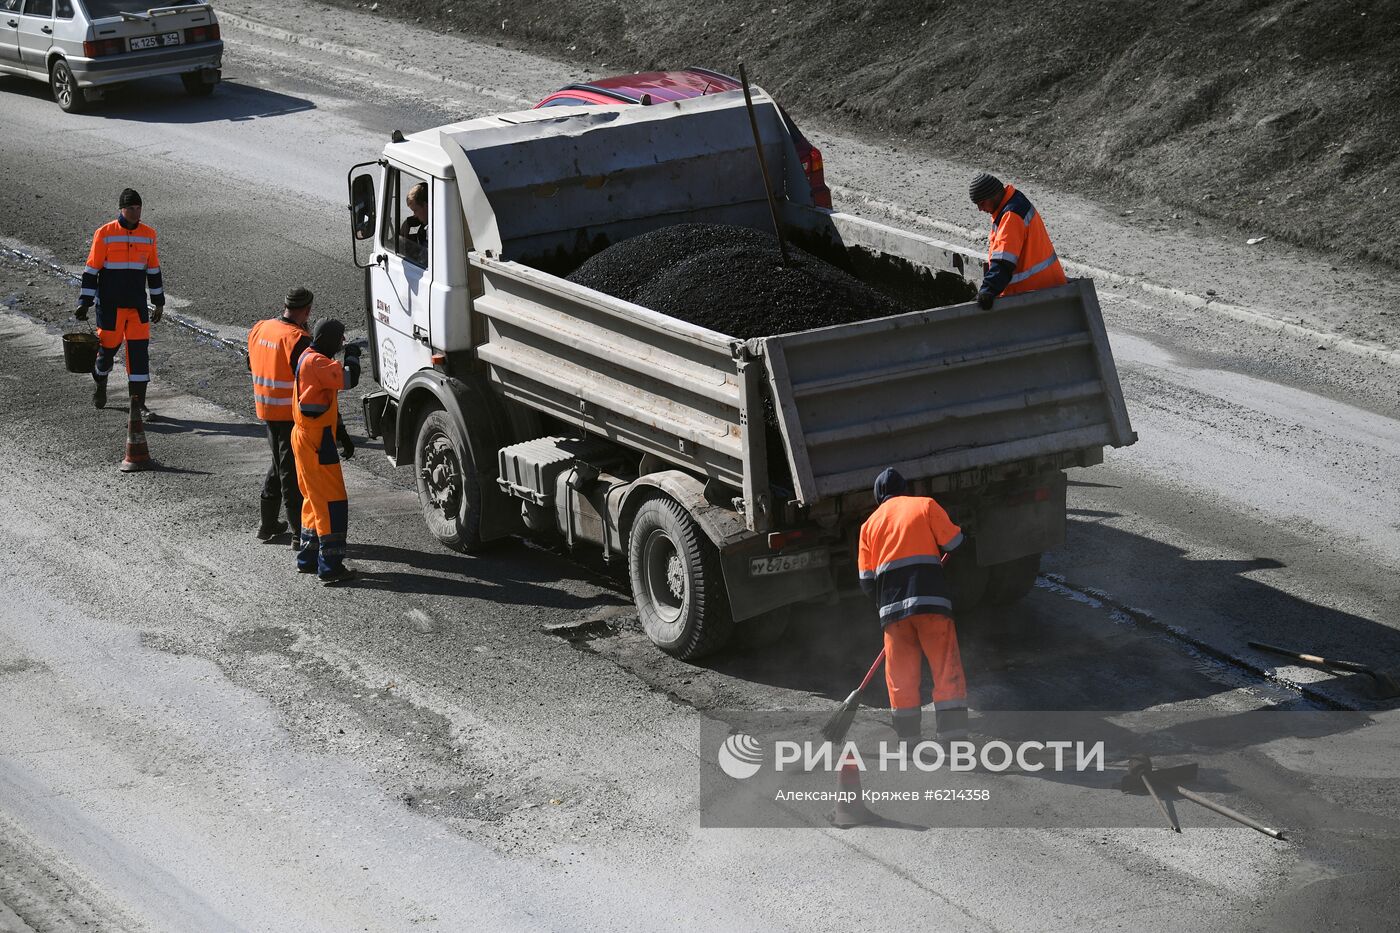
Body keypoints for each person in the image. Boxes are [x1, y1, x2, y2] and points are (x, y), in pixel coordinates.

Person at [857, 467, 969, 743]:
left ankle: (909, 739)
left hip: (893, 613)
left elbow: (866, 581)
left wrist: (887, 607)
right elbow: (955, 543)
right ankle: (952, 737)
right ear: (905, 489)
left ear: (878, 496)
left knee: (901, 677)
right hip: (932, 603)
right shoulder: (925, 505)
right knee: (945, 668)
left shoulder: (868, 526)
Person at [77, 188, 164, 417]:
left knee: (139, 355)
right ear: (121, 209)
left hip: (137, 307)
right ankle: (100, 381)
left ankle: (139, 405)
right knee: (106, 352)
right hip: (110, 307)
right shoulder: (104, 233)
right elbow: (91, 270)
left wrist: (159, 302)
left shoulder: (149, 234)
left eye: (138, 208)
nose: (135, 213)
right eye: (131, 209)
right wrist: (84, 302)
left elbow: (153, 270)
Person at [292, 319, 362, 584]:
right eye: (340, 340)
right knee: (332, 503)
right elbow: (348, 379)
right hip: (317, 442)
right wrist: (352, 356)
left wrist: (341, 433)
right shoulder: (318, 363)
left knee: (313, 499)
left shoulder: (306, 358)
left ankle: (308, 558)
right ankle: (330, 567)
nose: (341, 345)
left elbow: (324, 402)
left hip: (306, 437)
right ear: (328, 339)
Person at [247, 286, 317, 543]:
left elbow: (251, 363)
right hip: (289, 415)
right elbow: (310, 379)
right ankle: (300, 534)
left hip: (266, 410)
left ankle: (267, 524)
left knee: (279, 464)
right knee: (289, 471)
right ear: (307, 310)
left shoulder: (261, 328)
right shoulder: (297, 339)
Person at [969, 173, 1066, 310]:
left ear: (994, 195)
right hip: (1048, 290)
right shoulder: (1014, 202)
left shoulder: (1011, 215)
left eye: (982, 203)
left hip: (1036, 295)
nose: (980, 209)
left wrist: (987, 291)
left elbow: (1004, 262)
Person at [400, 181, 428, 265]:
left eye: (415, 210)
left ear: (426, 206)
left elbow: (422, 261)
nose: (414, 215)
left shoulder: (431, 232)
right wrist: (409, 222)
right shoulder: (428, 221)